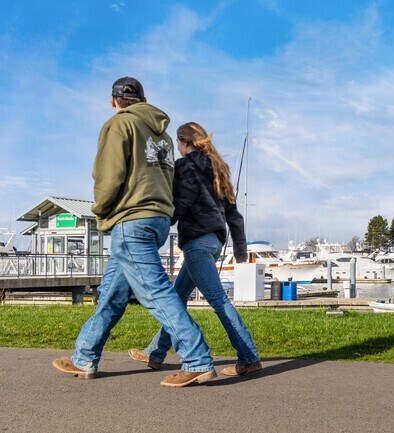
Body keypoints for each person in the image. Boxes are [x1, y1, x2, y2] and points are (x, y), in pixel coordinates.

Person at [52, 77, 216, 388]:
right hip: (156, 220)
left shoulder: (119, 125)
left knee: (155, 293)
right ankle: (84, 356)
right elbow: (169, 180)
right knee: (112, 295)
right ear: (143, 99)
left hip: (131, 219)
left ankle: (197, 360)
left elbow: (108, 174)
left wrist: (101, 210)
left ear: (113, 100)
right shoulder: (164, 136)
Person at [128, 122, 262, 376]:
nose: (178, 148)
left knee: (219, 301)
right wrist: (240, 249)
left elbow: (182, 202)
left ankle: (249, 356)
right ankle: (154, 353)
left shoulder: (186, 165)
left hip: (197, 242)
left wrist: (159, 221)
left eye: (178, 144)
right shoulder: (218, 168)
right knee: (177, 298)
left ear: (184, 142)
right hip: (213, 242)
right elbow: (234, 215)